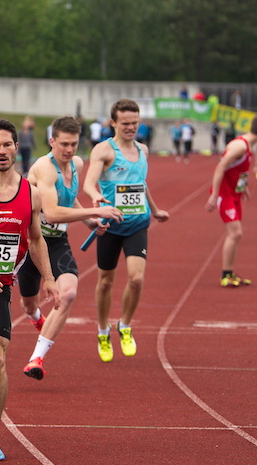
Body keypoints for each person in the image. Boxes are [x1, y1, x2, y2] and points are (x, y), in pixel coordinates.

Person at [0, 119, 61, 460]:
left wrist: (49, 278)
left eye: (7, 145)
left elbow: (35, 239)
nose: (2, 151)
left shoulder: (29, 194)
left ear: (17, 147)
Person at [19, 116, 122, 378]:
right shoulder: (44, 168)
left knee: (68, 294)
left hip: (56, 241)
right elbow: (52, 212)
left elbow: (69, 197)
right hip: (31, 240)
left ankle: (36, 359)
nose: (68, 150)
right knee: (28, 303)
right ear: (52, 141)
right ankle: (36, 319)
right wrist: (97, 209)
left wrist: (90, 221)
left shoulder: (75, 163)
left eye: (74, 144)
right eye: (63, 143)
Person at [83, 98, 170, 362]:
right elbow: (88, 183)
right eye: (125, 123)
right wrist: (95, 199)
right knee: (106, 282)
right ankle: (102, 331)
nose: (131, 127)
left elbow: (141, 185)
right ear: (113, 123)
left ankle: (125, 325)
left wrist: (154, 210)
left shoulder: (143, 150)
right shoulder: (104, 150)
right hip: (111, 225)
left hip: (138, 224)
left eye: (134, 123)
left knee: (136, 278)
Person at [204, 113, 257, 287]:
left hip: (235, 195)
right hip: (224, 195)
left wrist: (244, 186)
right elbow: (220, 167)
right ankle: (225, 275)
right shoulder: (240, 146)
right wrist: (214, 194)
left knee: (235, 235)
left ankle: (230, 273)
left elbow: (237, 169)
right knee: (236, 233)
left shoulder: (249, 145)